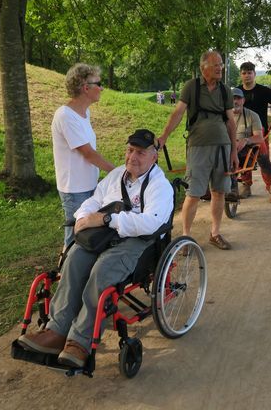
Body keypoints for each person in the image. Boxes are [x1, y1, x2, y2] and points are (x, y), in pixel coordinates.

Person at [18, 129, 174, 367]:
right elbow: (95, 199)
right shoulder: (116, 175)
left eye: (141, 153)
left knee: (102, 271)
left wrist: (107, 220)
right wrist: (83, 216)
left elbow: (152, 222)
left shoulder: (160, 186)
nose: (133, 157)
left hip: (140, 239)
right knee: (74, 260)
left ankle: (80, 341)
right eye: (130, 150)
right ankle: (56, 331)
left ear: (154, 157)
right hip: (106, 234)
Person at [158, 50, 238, 250]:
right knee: (193, 193)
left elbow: (231, 122)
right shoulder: (191, 87)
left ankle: (215, 233)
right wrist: (164, 136)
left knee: (219, 191)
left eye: (221, 64)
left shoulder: (225, 90)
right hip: (198, 147)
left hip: (222, 147)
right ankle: (185, 237)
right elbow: (177, 113)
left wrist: (234, 151)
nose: (220, 68)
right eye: (216, 65)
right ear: (204, 68)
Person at [52, 63, 115, 248]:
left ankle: (74, 274)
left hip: (88, 184)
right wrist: (118, 171)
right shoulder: (66, 115)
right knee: (74, 239)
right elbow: (88, 154)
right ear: (86, 88)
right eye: (99, 83)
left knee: (86, 236)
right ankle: (65, 275)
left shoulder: (84, 113)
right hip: (74, 189)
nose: (102, 88)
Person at [237, 61, 271, 203]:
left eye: (250, 73)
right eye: (244, 73)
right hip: (241, 132)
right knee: (242, 160)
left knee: (263, 159)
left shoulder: (263, 91)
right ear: (241, 75)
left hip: (259, 132)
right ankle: (246, 185)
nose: (247, 76)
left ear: (254, 74)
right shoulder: (237, 92)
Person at [231, 88, 268, 188]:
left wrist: (246, 140)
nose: (235, 101)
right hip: (227, 147)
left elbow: (259, 138)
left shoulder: (252, 116)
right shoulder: (222, 116)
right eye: (232, 98)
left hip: (245, 149)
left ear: (243, 100)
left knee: (264, 159)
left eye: (238, 98)